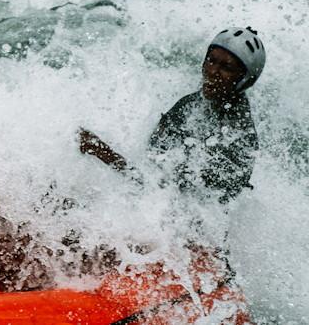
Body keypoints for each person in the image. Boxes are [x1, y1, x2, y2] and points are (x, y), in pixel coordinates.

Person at [78, 27, 265, 205]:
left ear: (245, 79)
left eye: (226, 67)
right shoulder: (191, 104)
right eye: (211, 60)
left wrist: (107, 156)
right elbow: (152, 172)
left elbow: (180, 201)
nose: (212, 71)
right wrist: (104, 153)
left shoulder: (238, 136)